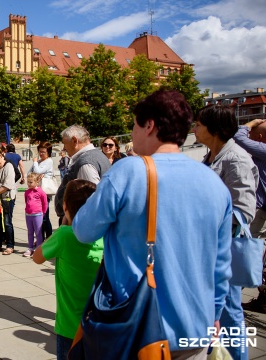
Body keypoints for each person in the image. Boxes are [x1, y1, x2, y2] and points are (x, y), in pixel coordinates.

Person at [72, 90, 233, 359]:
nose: (132, 133)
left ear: (149, 125)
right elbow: (221, 266)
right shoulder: (214, 182)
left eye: (134, 124)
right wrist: (214, 315)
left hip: (138, 328)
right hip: (195, 328)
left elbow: (83, 230)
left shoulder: (129, 171)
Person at [194, 105, 257, 359]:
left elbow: (244, 211)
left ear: (216, 129)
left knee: (230, 311)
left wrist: (206, 218)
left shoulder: (237, 158)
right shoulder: (211, 155)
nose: (194, 128)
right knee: (215, 309)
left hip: (226, 248)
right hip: (209, 247)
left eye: (199, 124)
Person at [33, 179, 103, 359]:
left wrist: (63, 226)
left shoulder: (64, 235)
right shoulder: (105, 235)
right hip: (100, 323)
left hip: (69, 326)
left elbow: (37, 257)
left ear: (65, 206)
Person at [235, 119, 266, 312]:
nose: (250, 137)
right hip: (262, 208)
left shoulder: (263, 149)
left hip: (260, 209)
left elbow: (238, 137)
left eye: (253, 135)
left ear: (260, 138)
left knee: (249, 245)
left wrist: (251, 123)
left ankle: (244, 282)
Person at [54, 125, 111, 224]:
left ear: (75, 141)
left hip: (78, 225)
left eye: (65, 143)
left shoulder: (86, 163)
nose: (64, 148)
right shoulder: (94, 156)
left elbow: (91, 198)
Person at [28, 142, 55, 239]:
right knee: (39, 218)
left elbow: (38, 171)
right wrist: (36, 165)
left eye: (43, 152)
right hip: (36, 192)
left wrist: (35, 163)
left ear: (48, 152)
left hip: (44, 192)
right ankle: (41, 238)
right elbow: (30, 173)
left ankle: (49, 238)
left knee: (45, 217)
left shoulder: (49, 161)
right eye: (40, 151)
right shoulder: (39, 162)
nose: (41, 154)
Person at [23, 173, 48, 258]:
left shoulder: (41, 192)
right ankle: (30, 248)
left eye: (31, 182)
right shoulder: (27, 192)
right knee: (30, 232)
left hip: (38, 214)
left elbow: (45, 203)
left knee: (38, 232)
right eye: (28, 182)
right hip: (28, 214)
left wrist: (43, 213)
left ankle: (38, 248)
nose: (29, 184)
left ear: (37, 182)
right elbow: (26, 201)